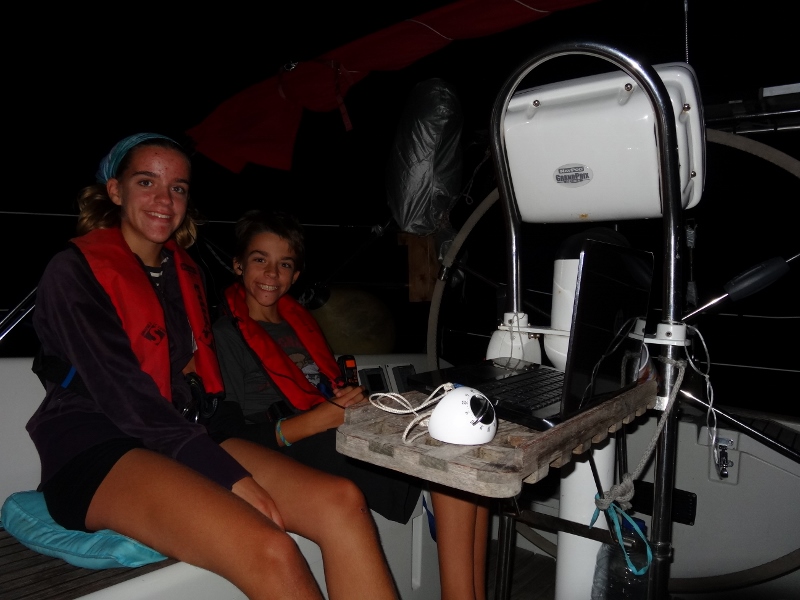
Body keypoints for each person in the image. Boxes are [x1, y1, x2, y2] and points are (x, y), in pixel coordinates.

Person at [26, 133, 398, 600]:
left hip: (181, 431)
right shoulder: (73, 272)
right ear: (115, 191)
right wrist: (231, 478)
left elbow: (195, 383)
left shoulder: (187, 274)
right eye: (147, 182)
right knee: (271, 549)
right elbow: (128, 398)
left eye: (178, 187)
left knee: (342, 501)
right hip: (95, 445)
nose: (164, 200)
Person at [212, 209, 491, 600]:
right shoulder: (224, 336)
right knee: (443, 470)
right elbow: (230, 434)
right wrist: (319, 419)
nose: (271, 273)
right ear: (238, 264)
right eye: (260, 259)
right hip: (289, 442)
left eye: (284, 264)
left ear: (296, 274)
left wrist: (344, 402)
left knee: (462, 446)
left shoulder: (299, 323)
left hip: (328, 420)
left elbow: (319, 386)